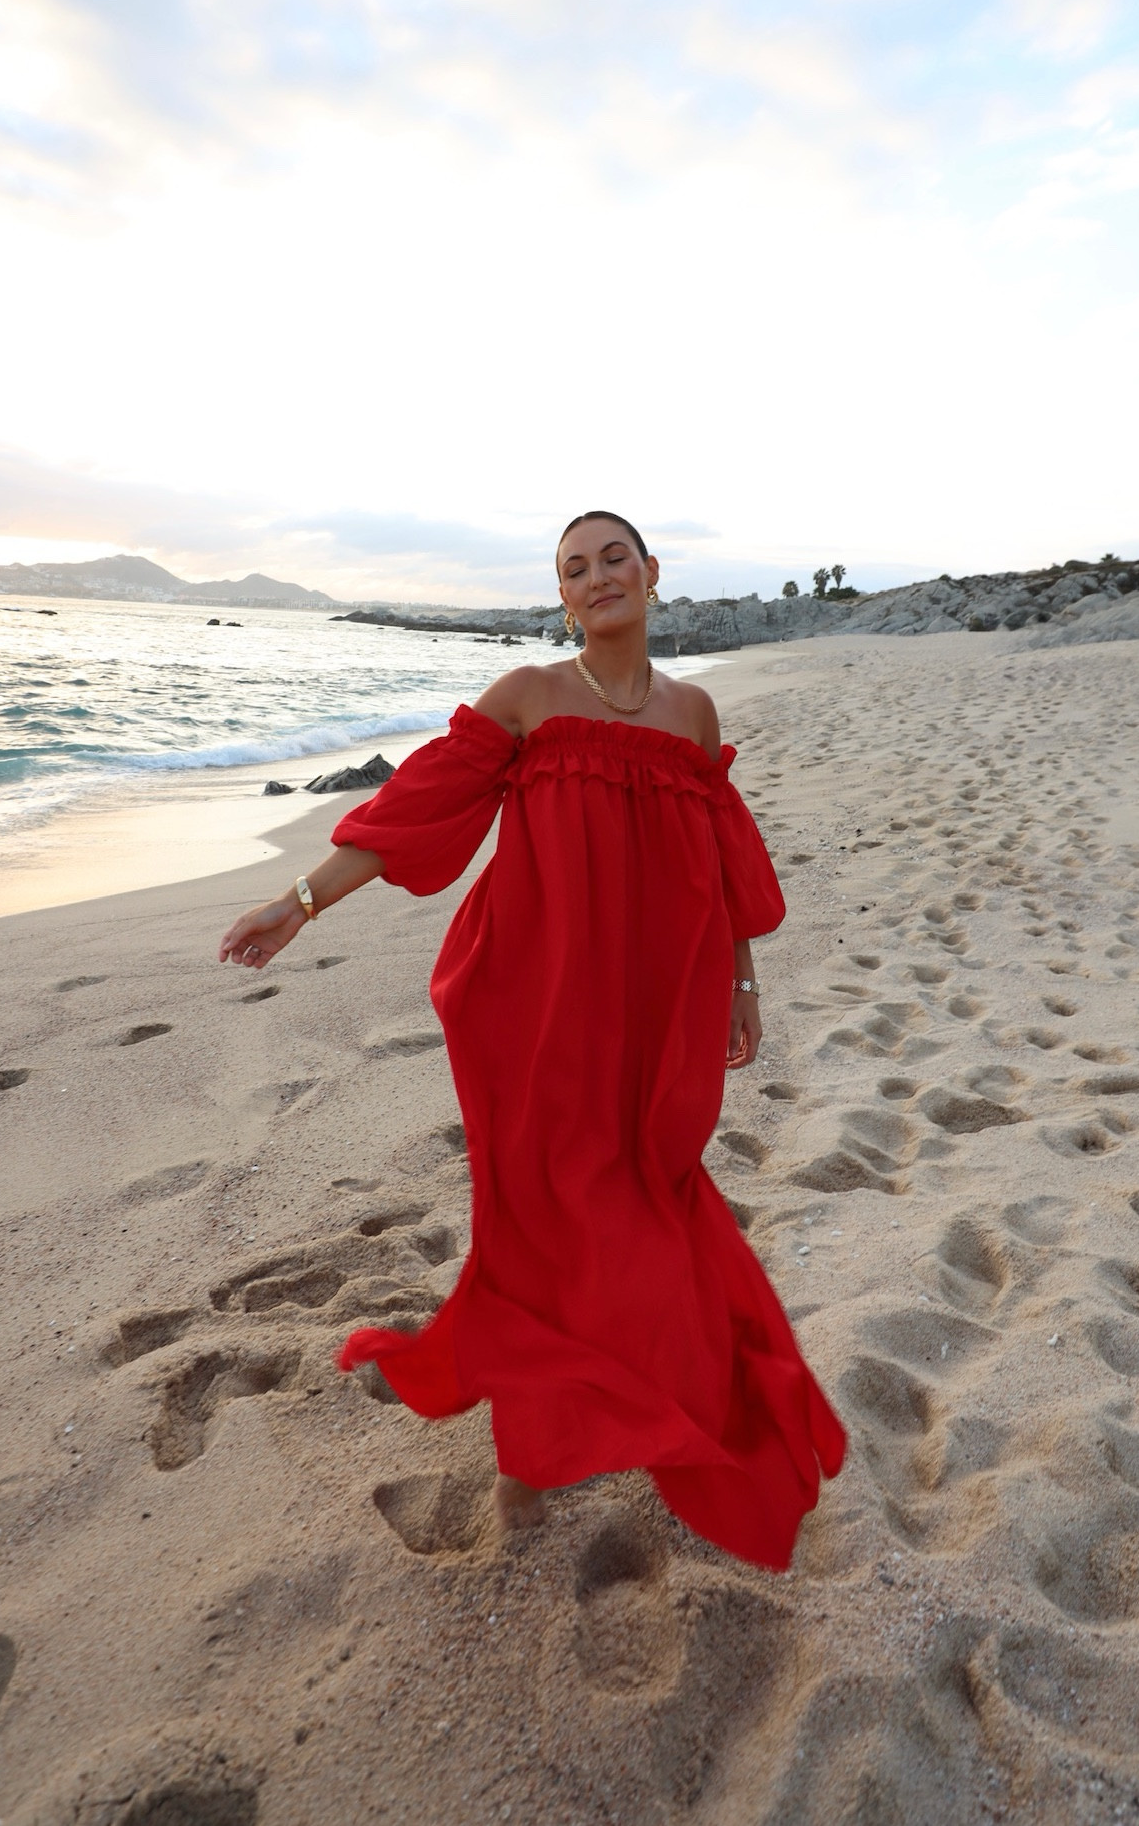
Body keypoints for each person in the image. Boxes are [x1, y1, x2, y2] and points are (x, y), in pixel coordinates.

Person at [218, 511, 845, 1569]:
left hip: (656, 1008)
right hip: (540, 1005)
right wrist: (300, 899)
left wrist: (741, 981)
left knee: (651, 1201)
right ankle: (529, 1449)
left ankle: (631, 1405)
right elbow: (417, 805)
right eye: (574, 568)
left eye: (614, 559)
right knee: (548, 1214)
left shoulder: (692, 716)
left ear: (652, 575)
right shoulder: (528, 699)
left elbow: (724, 865)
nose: (597, 577)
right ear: (562, 598)